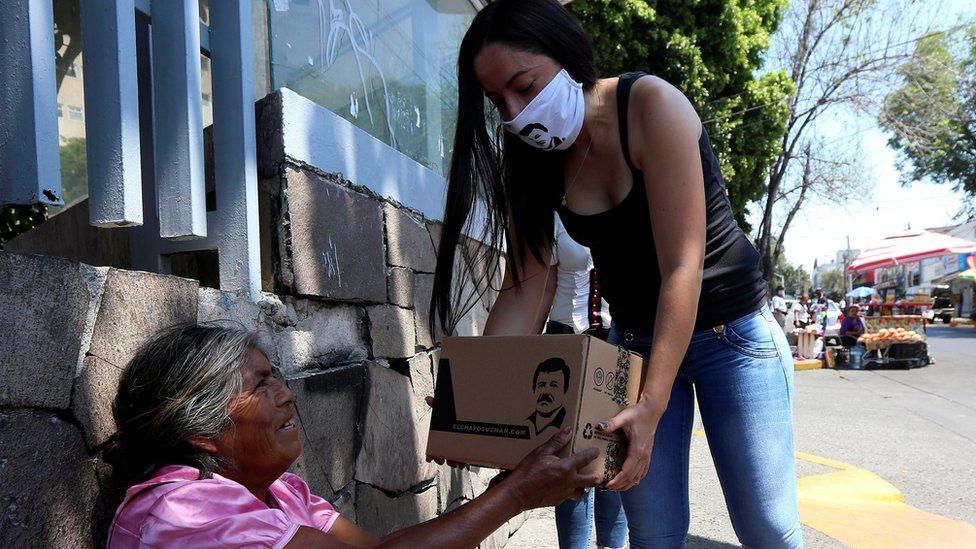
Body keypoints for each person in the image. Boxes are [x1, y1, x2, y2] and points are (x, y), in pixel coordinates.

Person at [429, 1, 801, 546]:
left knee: (766, 526)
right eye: (497, 100)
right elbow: (525, 282)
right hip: (634, 345)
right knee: (652, 534)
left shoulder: (649, 104)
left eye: (524, 86)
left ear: (565, 55)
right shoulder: (530, 157)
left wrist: (653, 404)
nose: (514, 113)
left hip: (732, 332)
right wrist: (478, 394)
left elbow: (683, 265)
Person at [105, 323, 600, 548]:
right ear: (203, 431)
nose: (288, 395)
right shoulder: (181, 515)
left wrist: (508, 489)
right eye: (262, 384)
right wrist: (515, 495)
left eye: (278, 376)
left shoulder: (283, 492)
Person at [542, 215, 628, 549]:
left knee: (613, 454)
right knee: (569, 459)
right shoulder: (554, 212)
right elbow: (542, 289)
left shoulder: (628, 202)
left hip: (616, 340)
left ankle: (612, 544)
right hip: (563, 340)